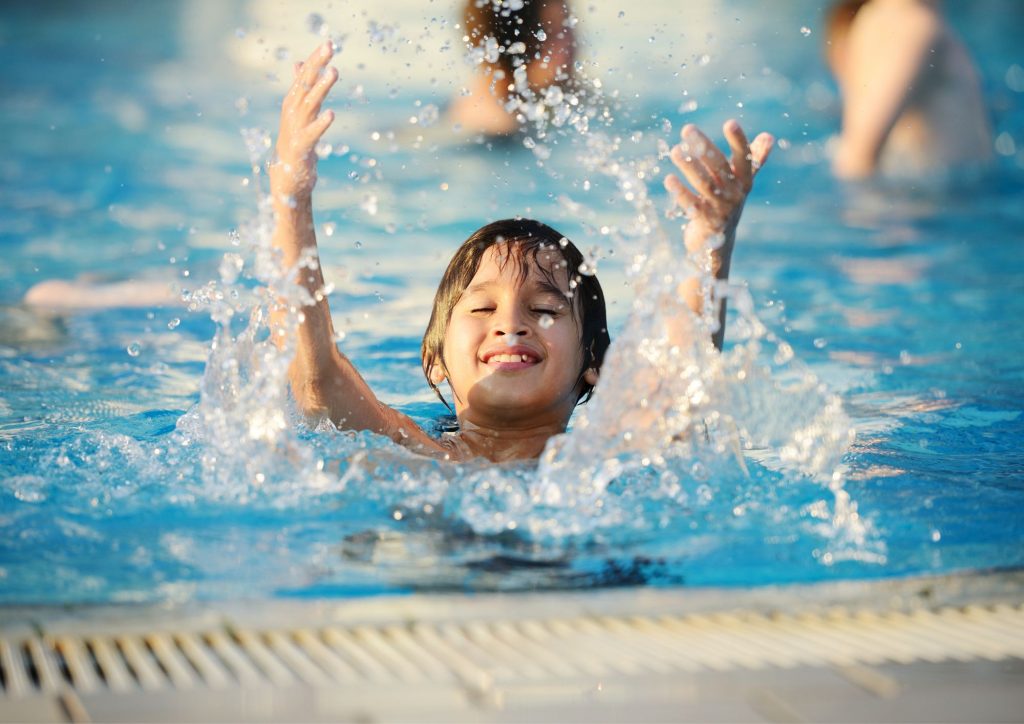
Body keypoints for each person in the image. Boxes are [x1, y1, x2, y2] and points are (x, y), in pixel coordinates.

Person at [270, 42, 773, 462]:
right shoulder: (407, 451)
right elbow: (316, 377)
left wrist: (710, 240)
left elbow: (680, 379)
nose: (511, 324)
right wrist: (290, 198)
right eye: (483, 306)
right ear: (436, 359)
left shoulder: (607, 460)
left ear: (593, 362)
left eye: (546, 309)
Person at [825, 0, 992, 179]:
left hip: (932, 193)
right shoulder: (915, 26)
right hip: (947, 202)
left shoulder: (880, 17)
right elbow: (858, 157)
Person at [448, 0, 576, 136]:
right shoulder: (501, 131)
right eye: (560, 30)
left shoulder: (462, 104)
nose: (574, 43)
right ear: (522, 45)